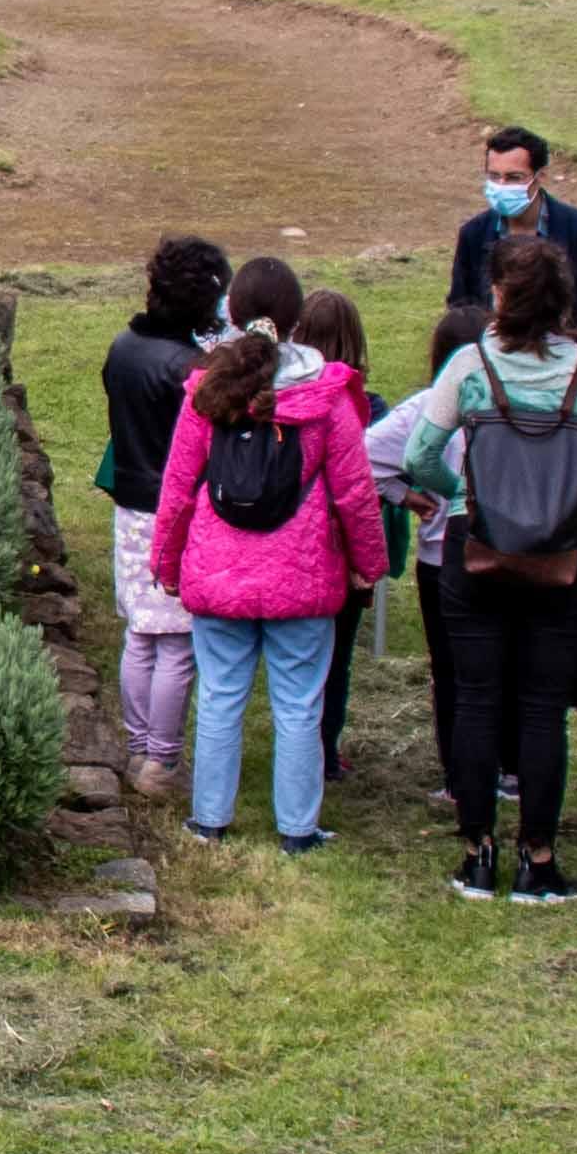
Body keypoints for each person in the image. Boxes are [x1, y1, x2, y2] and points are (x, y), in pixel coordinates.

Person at [399, 234, 577, 906]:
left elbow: (422, 453)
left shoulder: (471, 366)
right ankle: (537, 859)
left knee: (479, 698)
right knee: (543, 707)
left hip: (477, 548)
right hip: (569, 557)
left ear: (500, 296)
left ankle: (476, 853)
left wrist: (455, 495)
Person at [145, 287, 387, 852]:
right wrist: (369, 566)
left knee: (221, 695)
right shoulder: (328, 396)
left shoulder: (207, 391)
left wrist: (167, 561)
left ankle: (210, 819)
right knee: (301, 703)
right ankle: (298, 828)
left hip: (218, 571)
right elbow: (355, 493)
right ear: (295, 319)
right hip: (302, 577)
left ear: (232, 312)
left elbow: (179, 486)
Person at [90, 235, 232, 794]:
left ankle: (135, 747)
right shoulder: (189, 369)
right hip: (177, 514)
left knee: (140, 635)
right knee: (177, 642)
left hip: (130, 507)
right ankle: (162, 761)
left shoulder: (123, 347)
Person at [443, 124, 577, 347]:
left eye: (514, 177)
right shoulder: (473, 235)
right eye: (494, 176)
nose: (502, 186)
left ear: (541, 176)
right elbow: (461, 315)